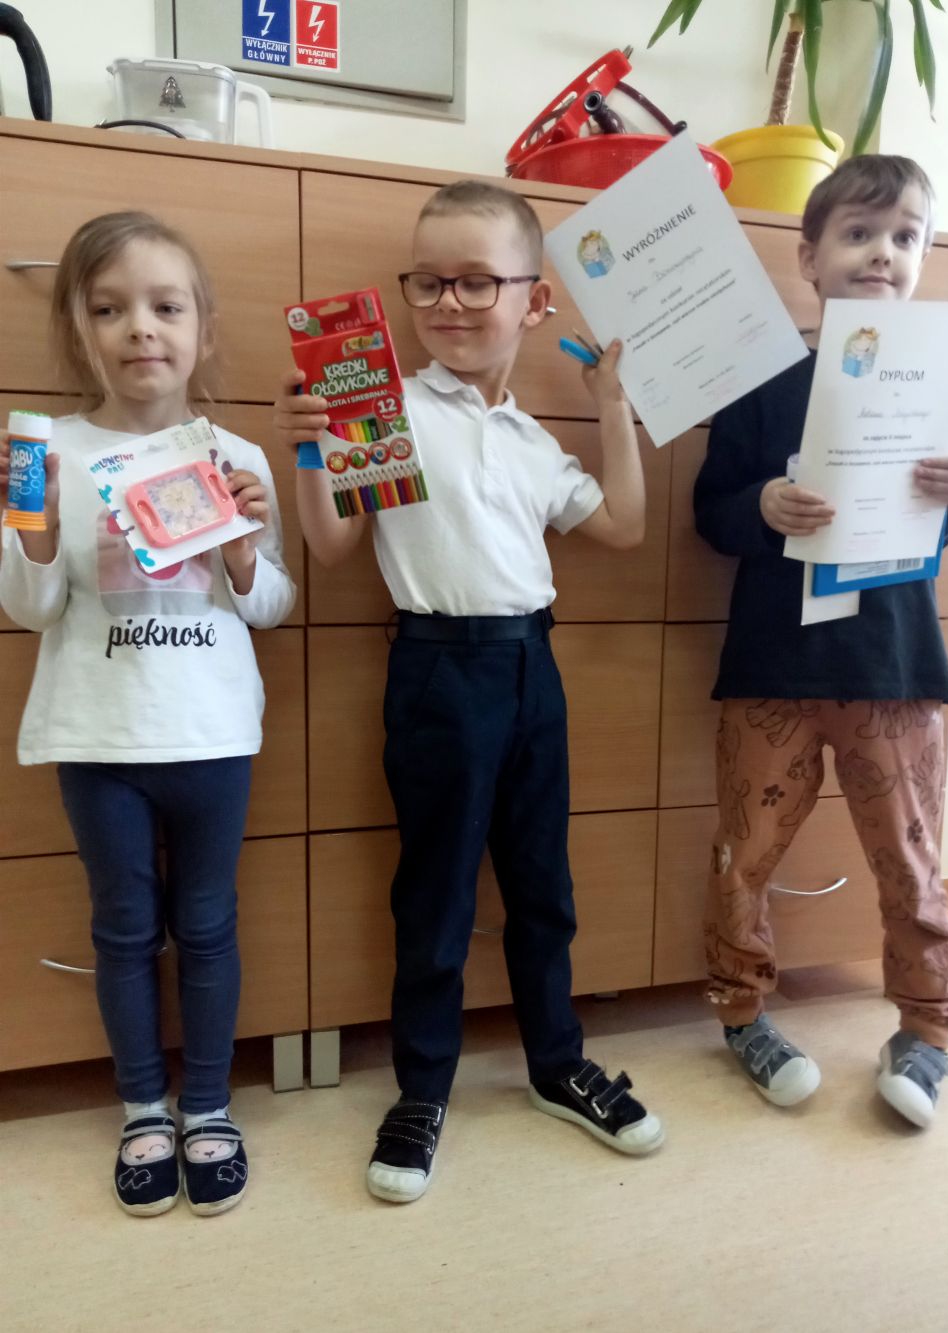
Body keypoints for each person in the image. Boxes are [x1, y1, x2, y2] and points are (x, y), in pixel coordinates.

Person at [275, 180, 663, 1203]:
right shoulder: (385, 406)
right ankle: (422, 1088)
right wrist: (310, 445)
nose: (449, 302)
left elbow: (624, 525)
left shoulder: (533, 442)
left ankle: (555, 1061)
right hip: (437, 669)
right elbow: (332, 544)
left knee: (542, 883)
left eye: (477, 282)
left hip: (534, 666)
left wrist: (611, 406)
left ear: (534, 301)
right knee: (437, 889)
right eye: (429, 282)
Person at [0, 211, 296, 1215]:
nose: (140, 328)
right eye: (109, 309)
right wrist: (34, 526)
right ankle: (142, 1109)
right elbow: (33, 608)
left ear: (202, 329)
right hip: (99, 736)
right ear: (77, 329)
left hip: (211, 734)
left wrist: (245, 551)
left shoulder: (234, 452)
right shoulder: (48, 452)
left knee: (208, 923)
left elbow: (272, 606)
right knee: (123, 927)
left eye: (166, 307)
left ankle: (207, 1105)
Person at [693, 156, 948, 1129]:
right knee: (744, 853)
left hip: (893, 667)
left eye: (903, 237)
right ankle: (741, 1012)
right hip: (772, 666)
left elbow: (934, 527)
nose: (882, 253)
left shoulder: (934, 381)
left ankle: (927, 1027)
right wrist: (763, 504)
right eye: (858, 234)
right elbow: (711, 510)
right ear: (809, 258)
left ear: (921, 258)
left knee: (910, 857)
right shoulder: (763, 380)